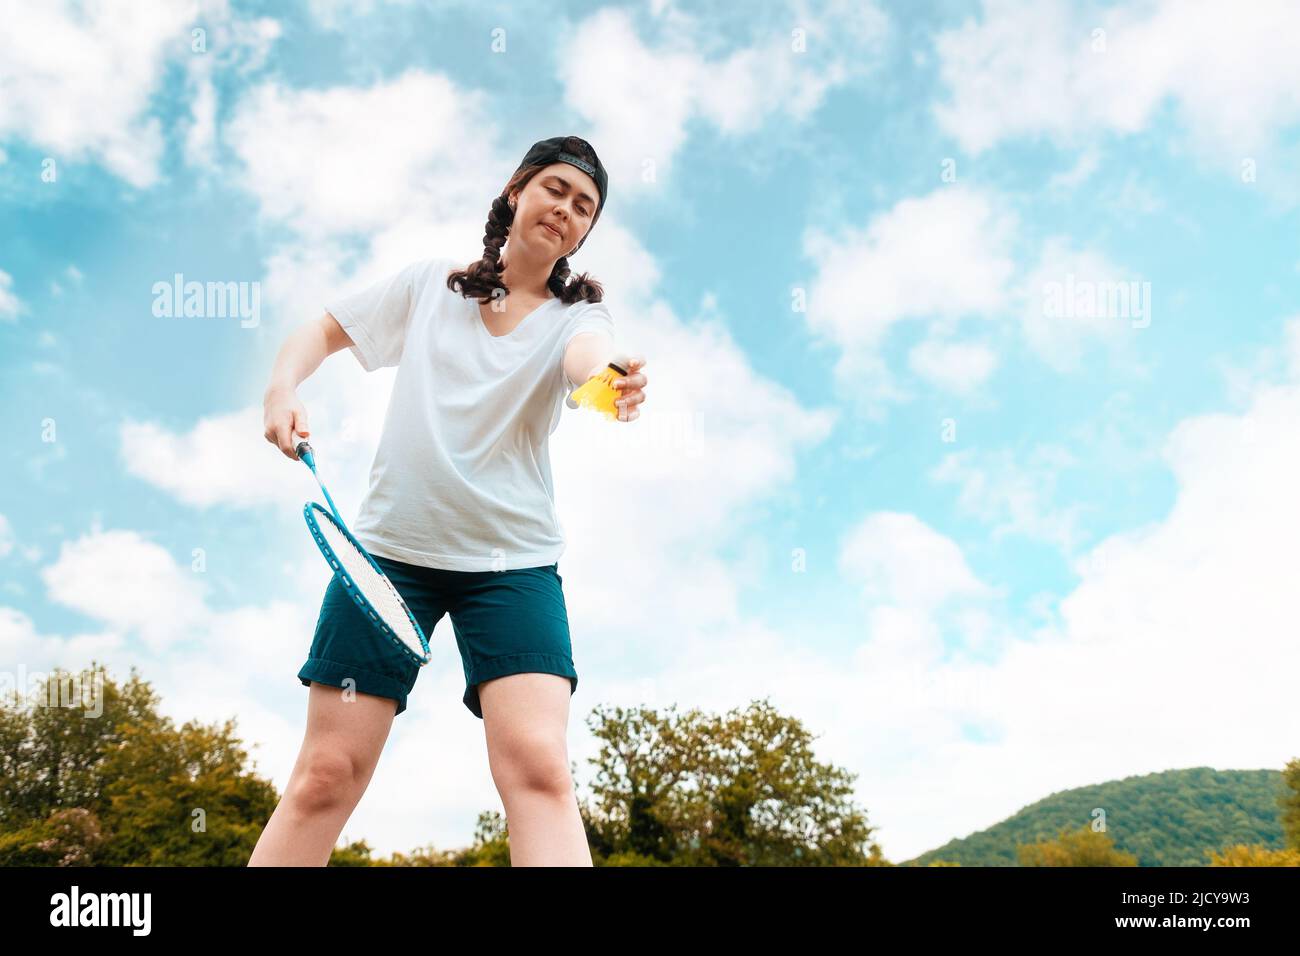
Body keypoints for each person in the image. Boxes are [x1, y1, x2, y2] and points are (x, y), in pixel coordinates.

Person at [249, 136, 648, 867]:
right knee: (324, 775)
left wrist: (612, 382)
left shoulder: (580, 320)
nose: (565, 209)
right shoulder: (432, 284)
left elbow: (589, 367)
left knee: (540, 768)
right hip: (388, 559)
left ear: (587, 231)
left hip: (514, 568)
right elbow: (322, 331)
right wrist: (283, 387)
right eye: (555, 189)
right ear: (516, 191)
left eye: (583, 206)